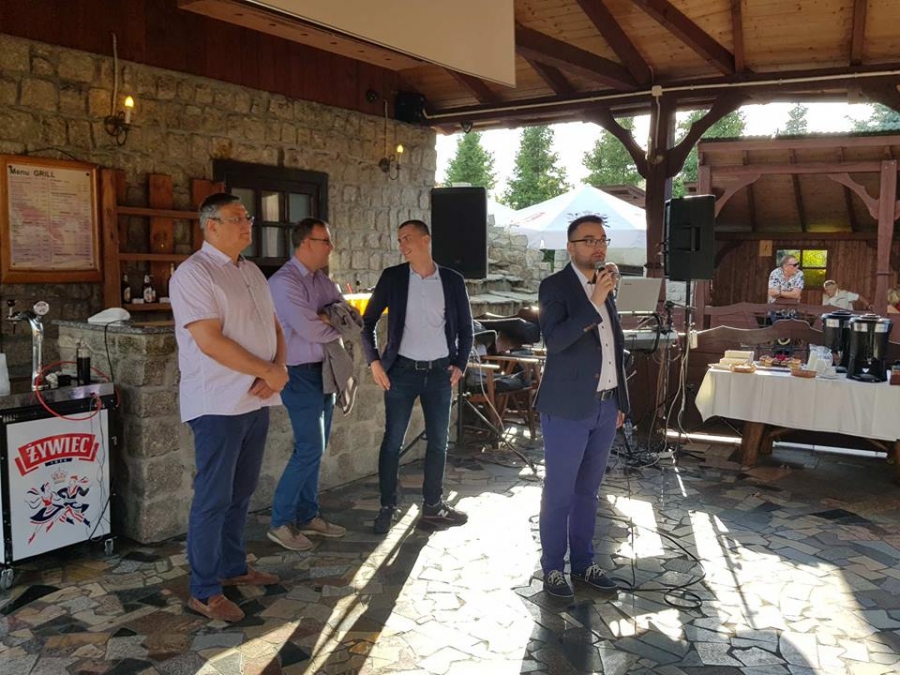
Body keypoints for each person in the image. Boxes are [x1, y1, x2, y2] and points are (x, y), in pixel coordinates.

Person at [170, 193, 289, 623]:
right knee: (213, 498)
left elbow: (274, 326)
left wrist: (278, 368)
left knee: (241, 492)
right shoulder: (194, 273)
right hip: (217, 402)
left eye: (247, 217)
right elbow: (210, 340)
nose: (247, 224)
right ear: (211, 225)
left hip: (255, 397)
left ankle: (233, 566)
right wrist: (269, 371)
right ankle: (204, 590)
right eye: (236, 218)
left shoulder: (251, 270)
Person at [535, 214, 629, 600]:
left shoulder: (605, 284)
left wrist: (620, 401)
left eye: (602, 239)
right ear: (570, 247)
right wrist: (594, 302)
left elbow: (613, 347)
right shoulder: (554, 286)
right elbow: (556, 342)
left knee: (588, 492)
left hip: (605, 406)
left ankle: (584, 562)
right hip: (566, 408)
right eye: (588, 240)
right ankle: (553, 568)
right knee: (559, 492)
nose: (597, 246)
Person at [362, 219, 474, 534]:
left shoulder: (451, 280)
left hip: (440, 374)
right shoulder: (393, 277)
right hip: (400, 373)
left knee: (439, 443)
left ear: (426, 240)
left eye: (407, 238)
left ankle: (433, 506)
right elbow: (367, 322)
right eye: (399, 239)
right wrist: (374, 362)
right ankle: (387, 506)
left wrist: (460, 364)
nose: (402, 245)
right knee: (392, 443)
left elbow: (466, 329)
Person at [266, 217, 347, 552]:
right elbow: (311, 329)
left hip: (324, 369)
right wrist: (332, 320)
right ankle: (280, 522)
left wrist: (331, 317)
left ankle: (307, 514)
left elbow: (348, 312)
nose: (331, 247)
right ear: (305, 243)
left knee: (318, 446)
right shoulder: (284, 282)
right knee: (310, 447)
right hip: (298, 373)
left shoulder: (321, 280)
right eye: (325, 240)